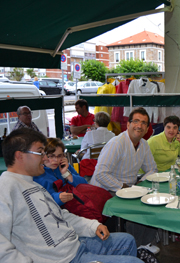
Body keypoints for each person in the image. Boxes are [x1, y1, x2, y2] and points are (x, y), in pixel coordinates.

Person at [0, 128, 142, 263]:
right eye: (40, 153)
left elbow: (60, 215)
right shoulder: (6, 188)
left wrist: (92, 226)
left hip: (75, 244)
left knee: (127, 241)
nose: (44, 159)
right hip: (65, 259)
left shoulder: (34, 186)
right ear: (19, 156)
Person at [91, 107, 159, 249]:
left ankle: (145, 243)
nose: (139, 126)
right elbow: (101, 174)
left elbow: (152, 169)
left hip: (128, 188)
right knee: (138, 205)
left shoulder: (144, 145)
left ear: (147, 128)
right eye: (136, 121)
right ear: (128, 124)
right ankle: (136, 246)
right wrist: (124, 188)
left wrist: (139, 184)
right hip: (106, 190)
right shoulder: (117, 143)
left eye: (144, 123)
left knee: (154, 197)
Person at [34, 138, 87, 206]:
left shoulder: (64, 166)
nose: (56, 160)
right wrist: (58, 198)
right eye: (51, 156)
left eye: (59, 156)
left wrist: (67, 174)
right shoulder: (37, 174)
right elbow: (39, 202)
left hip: (76, 204)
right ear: (43, 155)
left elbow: (84, 185)